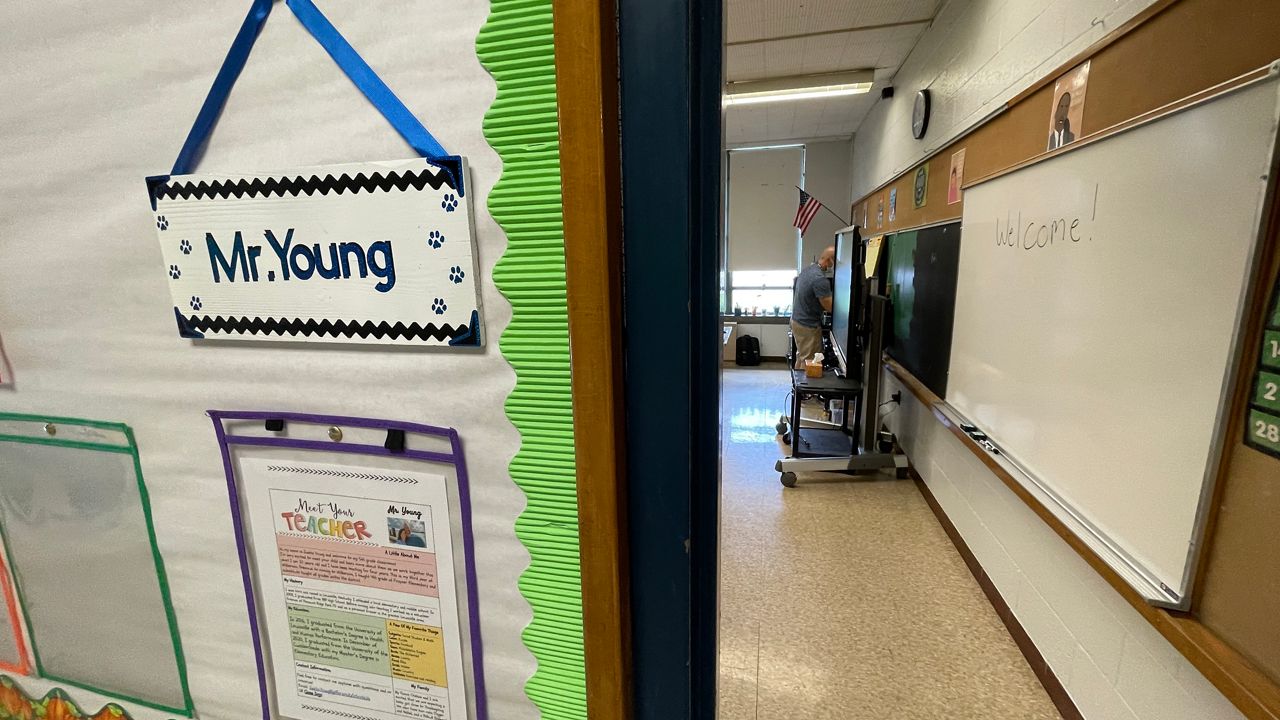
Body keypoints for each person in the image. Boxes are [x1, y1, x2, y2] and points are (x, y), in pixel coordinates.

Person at [790, 246, 834, 369]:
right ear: (829, 260)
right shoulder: (819, 280)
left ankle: (798, 387)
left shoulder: (808, 270)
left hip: (797, 320)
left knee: (802, 357)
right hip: (807, 326)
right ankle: (807, 386)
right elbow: (830, 307)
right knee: (811, 363)